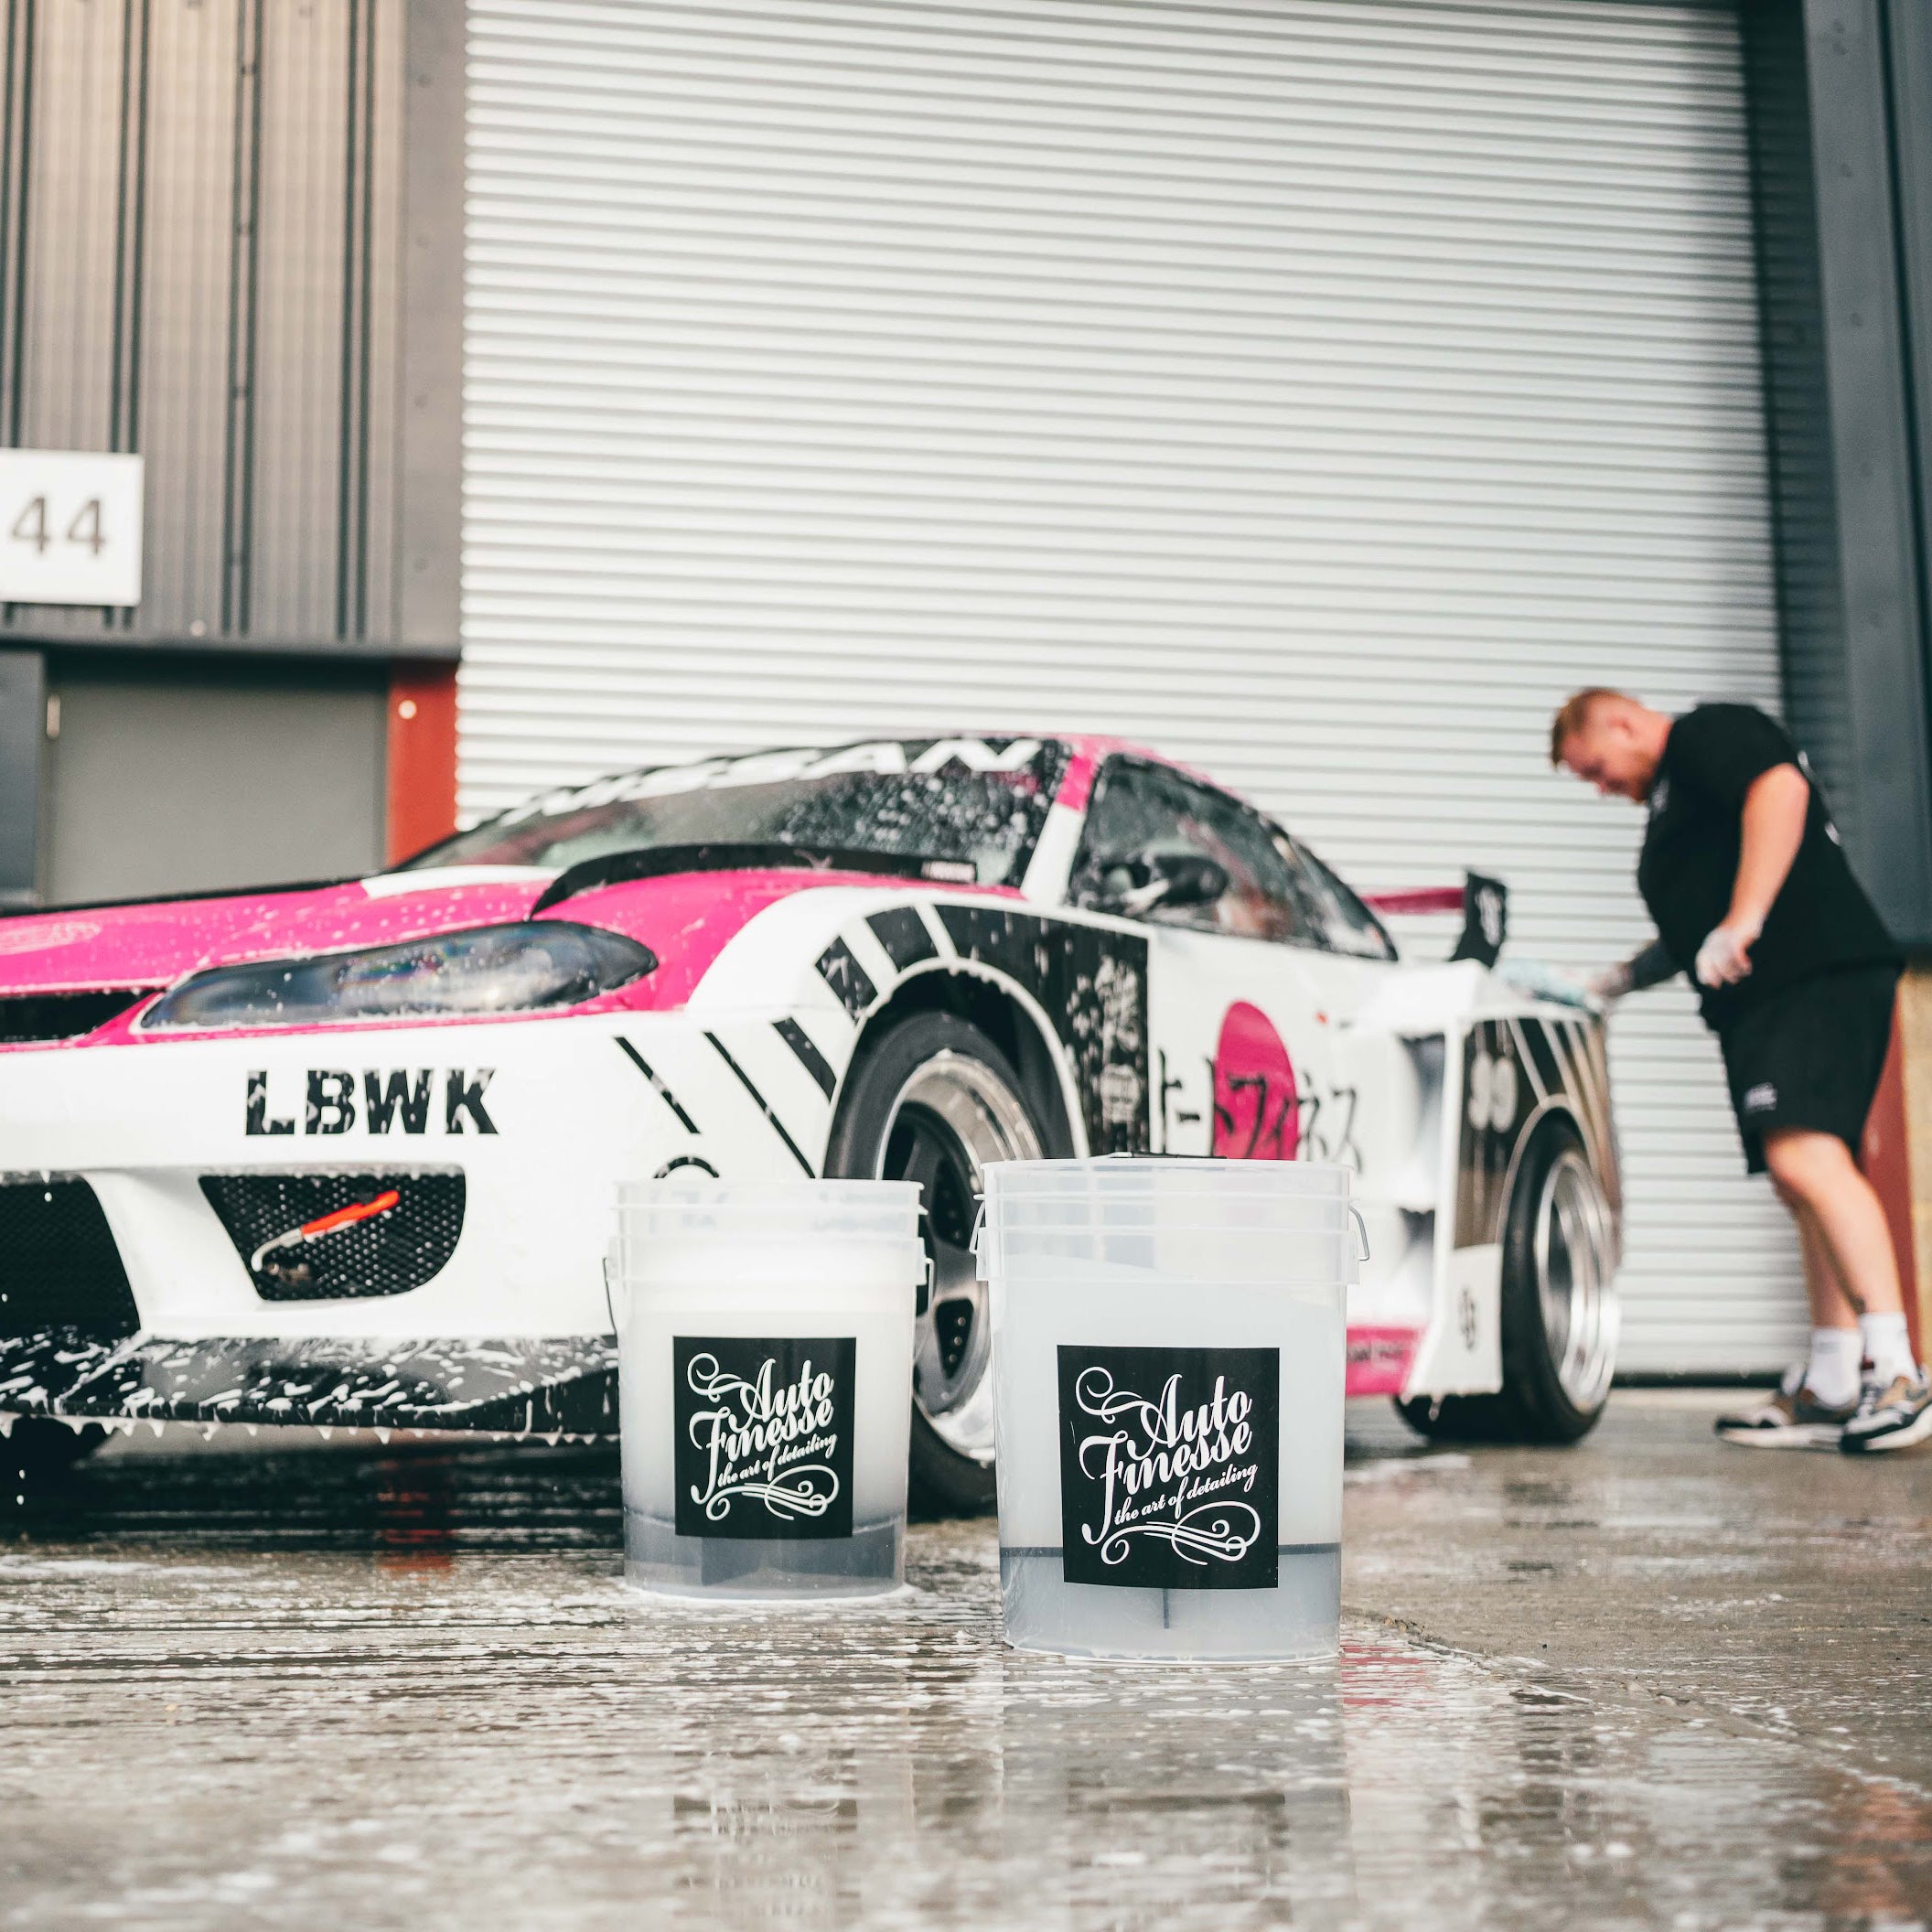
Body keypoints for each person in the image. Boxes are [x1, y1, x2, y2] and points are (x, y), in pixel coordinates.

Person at [1551, 690, 1928, 1453]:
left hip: (1809, 974)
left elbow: (1779, 789)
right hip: (1766, 998)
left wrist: (1747, 918)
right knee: (1800, 1179)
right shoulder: (1675, 798)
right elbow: (1695, 925)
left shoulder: (1706, 734)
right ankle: (1830, 1379)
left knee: (1809, 1159)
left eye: (1595, 769)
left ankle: (1898, 1373)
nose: (1600, 788)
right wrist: (1618, 978)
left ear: (1622, 723)